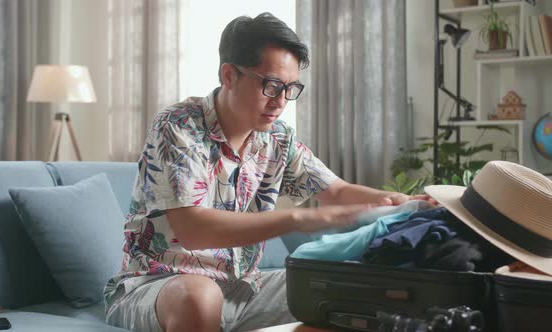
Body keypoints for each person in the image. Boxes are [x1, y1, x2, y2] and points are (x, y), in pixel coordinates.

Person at [104, 12, 434, 332]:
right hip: (158, 287)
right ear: (229, 75)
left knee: (348, 286)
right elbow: (193, 230)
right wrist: (298, 219)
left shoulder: (277, 138)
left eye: (291, 89)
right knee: (200, 298)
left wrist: (407, 203)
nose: (281, 101)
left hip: (243, 290)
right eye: (272, 85)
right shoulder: (178, 126)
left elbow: (336, 191)